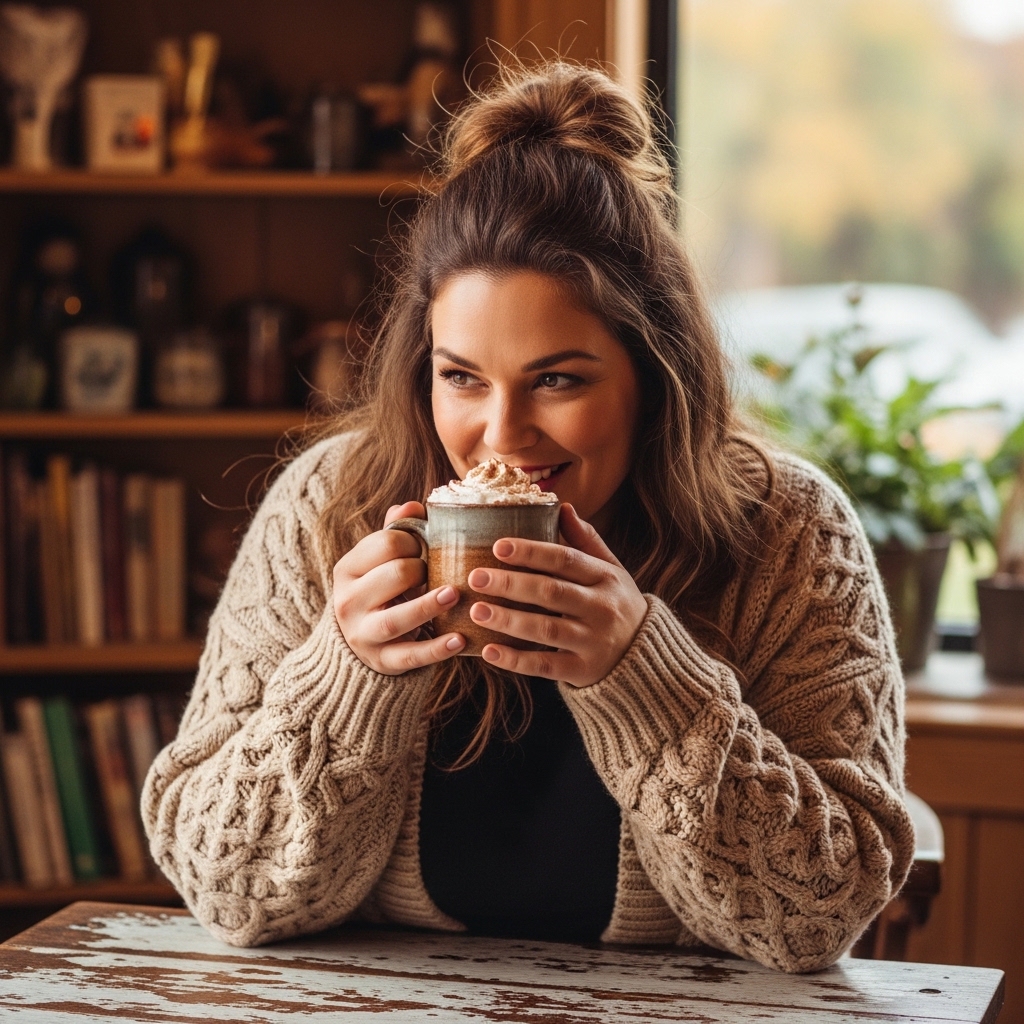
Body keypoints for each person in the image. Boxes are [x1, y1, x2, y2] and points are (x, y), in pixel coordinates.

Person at [142, 61, 915, 974]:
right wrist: (344, 677)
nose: (499, 434)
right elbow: (224, 888)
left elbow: (821, 915)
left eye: (558, 379)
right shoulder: (330, 507)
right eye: (461, 376)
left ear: (653, 376)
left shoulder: (787, 531)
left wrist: (646, 676)